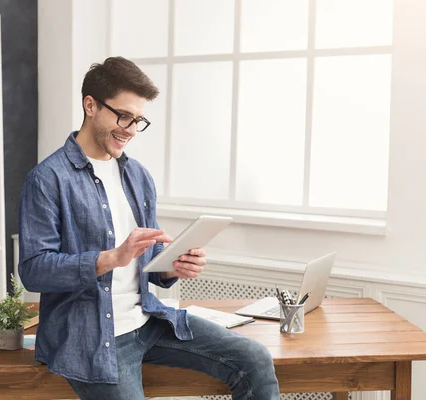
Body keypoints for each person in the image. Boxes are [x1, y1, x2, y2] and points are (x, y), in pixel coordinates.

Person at [18, 56, 280, 400]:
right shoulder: (48, 178)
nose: (129, 128)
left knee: (255, 358)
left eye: (137, 120)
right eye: (123, 116)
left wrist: (174, 265)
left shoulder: (137, 175)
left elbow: (149, 256)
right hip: (90, 336)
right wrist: (109, 258)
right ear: (90, 105)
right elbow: (34, 271)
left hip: (148, 320)